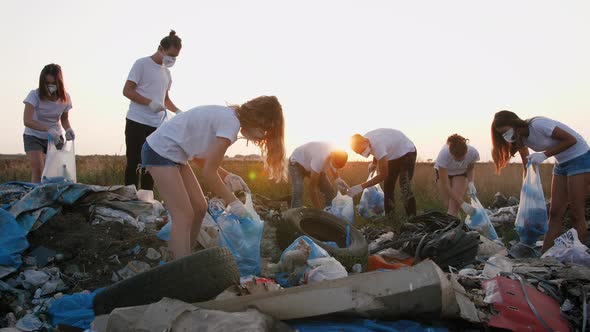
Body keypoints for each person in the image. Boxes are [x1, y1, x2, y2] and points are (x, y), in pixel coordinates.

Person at [142, 96, 286, 259]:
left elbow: (199, 157)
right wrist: (234, 202)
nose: (261, 137)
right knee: (183, 216)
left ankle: (185, 256)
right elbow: (208, 173)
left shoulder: (229, 116)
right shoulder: (230, 125)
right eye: (264, 130)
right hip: (160, 152)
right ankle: (177, 268)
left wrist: (228, 176)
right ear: (258, 118)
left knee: (200, 208)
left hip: (176, 154)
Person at [491, 110, 590, 251]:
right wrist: (527, 189)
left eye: (505, 131)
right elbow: (527, 166)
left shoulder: (538, 124)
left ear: (514, 123)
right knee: (555, 213)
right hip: (561, 163)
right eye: (502, 134)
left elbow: (571, 140)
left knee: (576, 211)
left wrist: (544, 155)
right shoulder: (520, 139)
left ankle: (581, 254)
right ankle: (544, 255)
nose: (505, 136)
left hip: (580, 157)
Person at [123, 30, 183, 191]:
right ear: (160, 49)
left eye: (175, 57)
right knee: (134, 161)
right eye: (170, 55)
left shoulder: (167, 73)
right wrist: (149, 102)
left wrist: (178, 112)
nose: (172, 59)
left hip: (156, 126)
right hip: (137, 121)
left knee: (152, 163)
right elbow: (127, 90)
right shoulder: (141, 64)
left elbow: (165, 100)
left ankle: (147, 199)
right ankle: (130, 199)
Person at [22, 64, 75, 183]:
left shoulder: (65, 98)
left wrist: (68, 130)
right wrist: (47, 129)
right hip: (33, 136)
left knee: (61, 168)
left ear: (59, 82)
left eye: (53, 83)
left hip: (55, 137)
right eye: (47, 83)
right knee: (38, 168)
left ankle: (58, 194)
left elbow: (64, 119)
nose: (50, 87)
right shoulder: (34, 95)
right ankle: (36, 197)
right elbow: (27, 121)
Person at [348, 128, 417, 217]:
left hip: (407, 151)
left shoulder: (378, 145)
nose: (363, 153)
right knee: (388, 186)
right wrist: (374, 163)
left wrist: (360, 187)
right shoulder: (364, 140)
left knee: (404, 184)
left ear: (365, 141)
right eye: (360, 153)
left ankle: (412, 217)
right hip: (393, 154)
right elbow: (376, 151)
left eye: (362, 150)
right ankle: (390, 217)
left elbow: (383, 175)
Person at [288, 141, 349, 209]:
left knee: (329, 191)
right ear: (332, 156)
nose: (335, 168)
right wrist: (318, 211)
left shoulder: (335, 152)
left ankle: (330, 212)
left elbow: (333, 166)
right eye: (335, 165)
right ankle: (294, 213)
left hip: (311, 163)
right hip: (296, 162)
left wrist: (337, 179)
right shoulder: (320, 159)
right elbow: (312, 188)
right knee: (298, 191)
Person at [434, 134, 480, 217]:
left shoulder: (473, 153)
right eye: (456, 159)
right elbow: (446, 185)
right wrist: (463, 204)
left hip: (460, 173)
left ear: (466, 152)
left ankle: (453, 227)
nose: (459, 162)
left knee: (454, 205)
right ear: (451, 154)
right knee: (447, 204)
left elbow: (470, 169)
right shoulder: (443, 155)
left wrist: (471, 182)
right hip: (445, 173)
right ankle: (457, 222)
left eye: (462, 158)